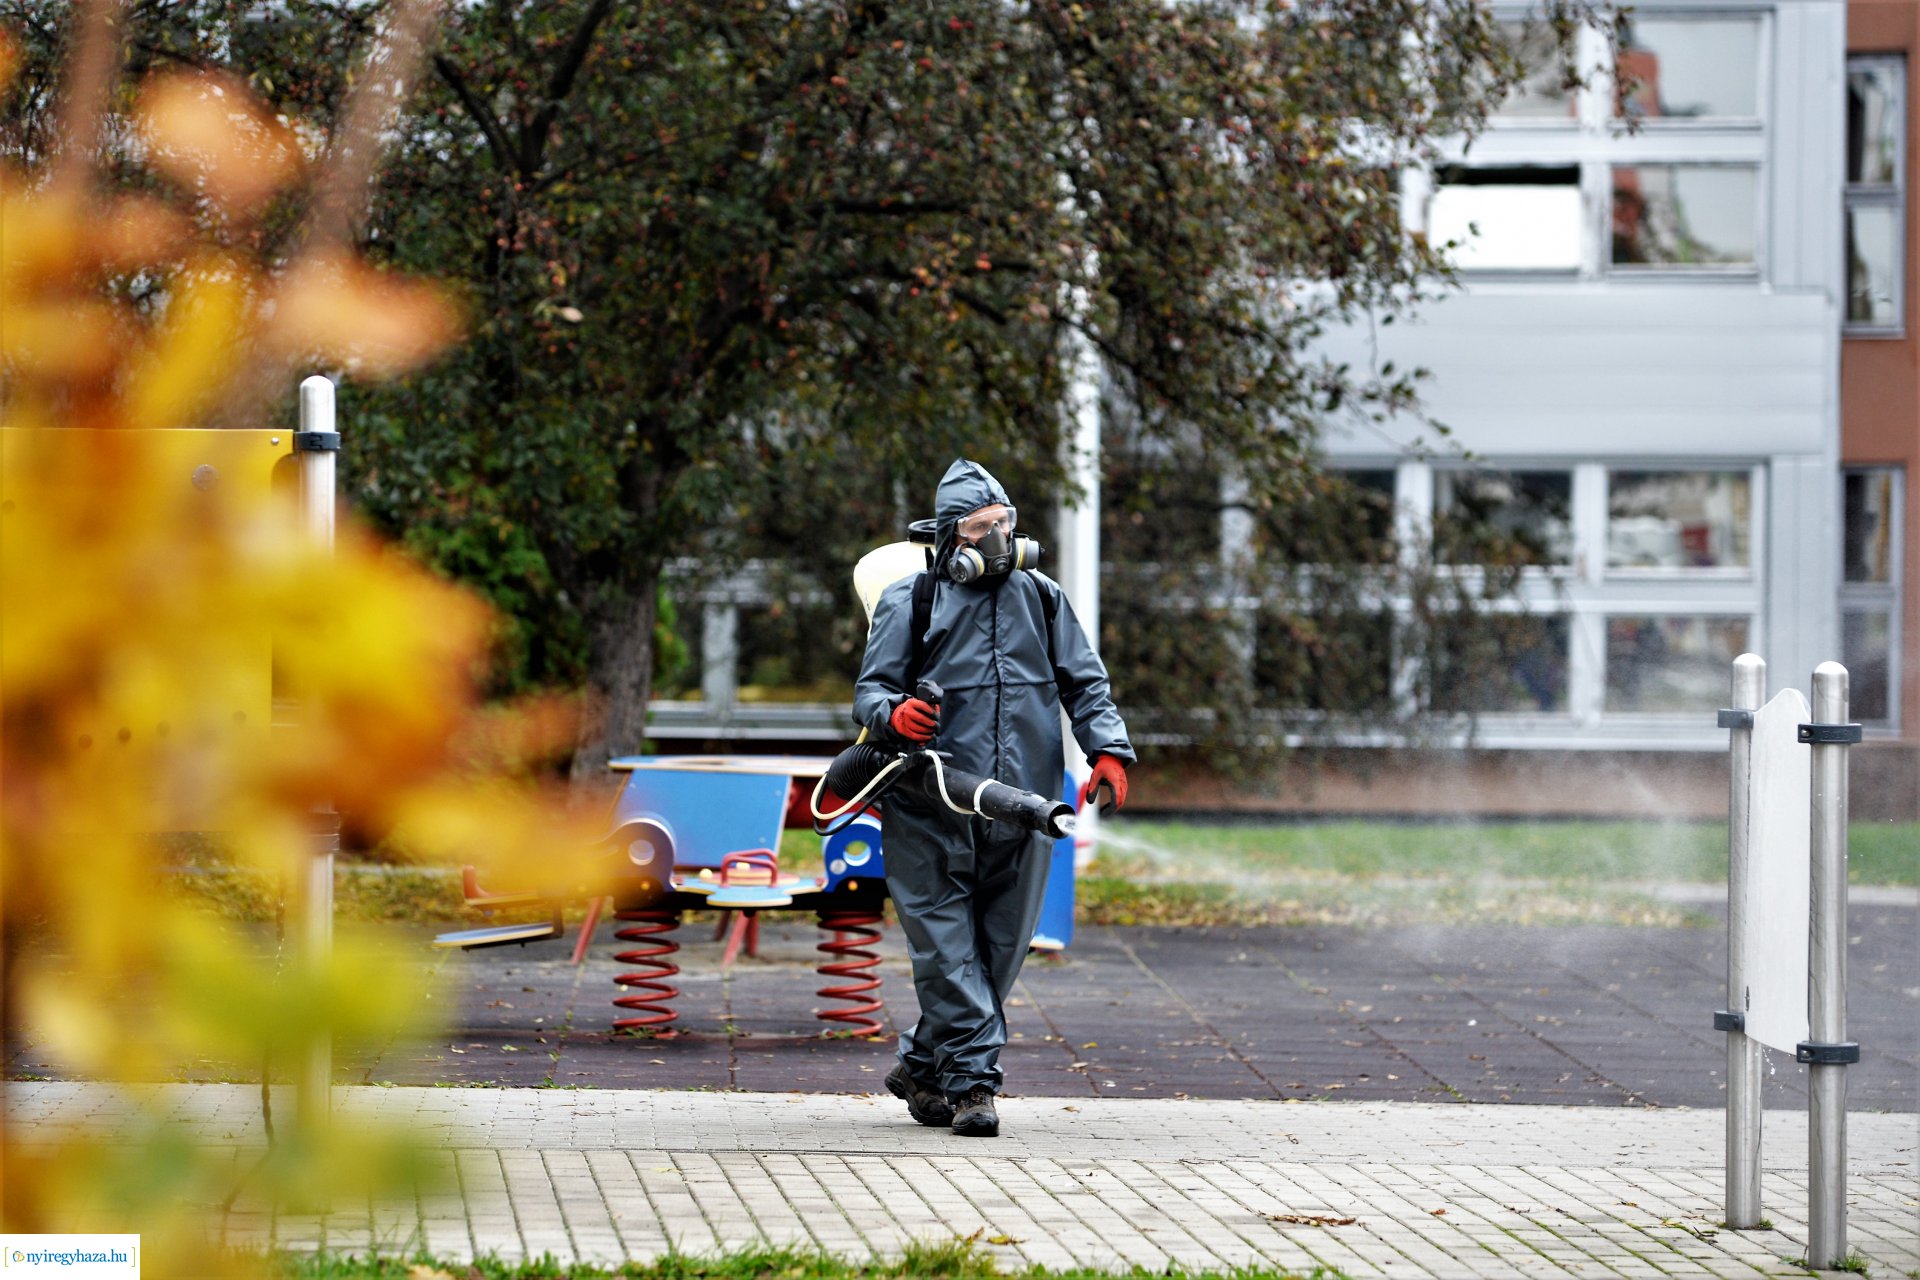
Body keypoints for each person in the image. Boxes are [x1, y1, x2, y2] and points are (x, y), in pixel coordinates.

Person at [852, 458, 1133, 1137]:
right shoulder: (911, 600)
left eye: (1004, 522)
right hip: (931, 805)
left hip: (1025, 806)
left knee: (1000, 953)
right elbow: (871, 692)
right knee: (948, 955)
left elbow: (1085, 683)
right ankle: (974, 1087)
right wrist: (895, 716)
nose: (999, 537)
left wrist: (1108, 750)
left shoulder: (1042, 596)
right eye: (981, 527)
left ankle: (921, 1066)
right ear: (951, 537)